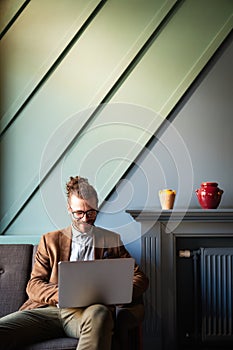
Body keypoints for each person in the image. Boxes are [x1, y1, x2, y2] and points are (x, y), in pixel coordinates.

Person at [0, 176, 149, 350]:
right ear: (69, 209)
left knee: (100, 314)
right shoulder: (50, 241)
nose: (85, 219)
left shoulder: (111, 240)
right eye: (79, 213)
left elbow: (140, 277)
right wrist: (64, 294)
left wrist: (116, 293)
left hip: (88, 313)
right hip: (48, 311)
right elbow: (34, 285)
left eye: (91, 212)